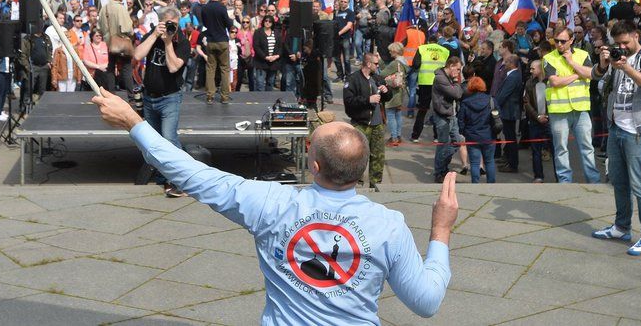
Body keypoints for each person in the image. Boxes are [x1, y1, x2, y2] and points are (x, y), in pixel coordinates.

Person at [94, 91, 457, 322]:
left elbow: (191, 174)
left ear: (313, 166)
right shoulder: (389, 225)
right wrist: (440, 231)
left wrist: (133, 121)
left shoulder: (270, 202)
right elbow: (426, 302)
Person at [591, 20, 641, 256]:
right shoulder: (617, 58)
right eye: (617, 44)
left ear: (636, 36)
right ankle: (621, 226)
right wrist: (605, 65)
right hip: (617, 127)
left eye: (625, 42)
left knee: (640, 184)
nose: (621, 47)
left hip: (640, 131)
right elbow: (600, 85)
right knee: (619, 180)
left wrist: (626, 68)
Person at [133, 6, 190, 197]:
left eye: (173, 23)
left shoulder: (182, 41)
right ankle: (162, 177)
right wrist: (154, 35)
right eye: (167, 23)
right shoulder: (154, 34)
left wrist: (167, 43)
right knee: (154, 141)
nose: (170, 27)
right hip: (150, 97)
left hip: (170, 98)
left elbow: (174, 68)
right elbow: (137, 55)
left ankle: (180, 180)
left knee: (169, 138)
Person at [542, 30, 600, 184]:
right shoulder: (549, 58)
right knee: (561, 149)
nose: (559, 44)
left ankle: (593, 181)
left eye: (562, 41)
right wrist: (577, 74)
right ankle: (565, 182)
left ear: (571, 40)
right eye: (556, 41)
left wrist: (572, 63)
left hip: (581, 109)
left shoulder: (582, 55)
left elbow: (590, 74)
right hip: (559, 111)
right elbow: (555, 82)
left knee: (587, 147)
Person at [343, 52, 392, 188]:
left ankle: (376, 184)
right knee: (358, 155)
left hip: (378, 124)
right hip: (361, 123)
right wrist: (367, 100)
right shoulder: (353, 79)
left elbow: (388, 97)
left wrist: (386, 90)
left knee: (378, 156)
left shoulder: (378, 78)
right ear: (368, 64)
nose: (378, 66)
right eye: (376, 64)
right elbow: (348, 101)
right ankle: (356, 183)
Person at [456, 69, 496, 183]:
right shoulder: (491, 100)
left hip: (472, 135)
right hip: (488, 135)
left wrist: (464, 132)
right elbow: (497, 116)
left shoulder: (466, 102)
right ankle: (492, 184)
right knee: (489, 161)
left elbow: (461, 121)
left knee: (474, 162)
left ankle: (475, 184)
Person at [410, 39, 450, 143]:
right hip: (439, 82)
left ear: (429, 42)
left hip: (425, 82)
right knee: (438, 110)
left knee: (422, 110)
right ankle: (437, 136)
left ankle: (415, 136)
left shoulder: (422, 49)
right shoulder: (445, 50)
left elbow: (415, 64)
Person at [431, 56, 463, 183]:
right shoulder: (440, 78)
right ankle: (440, 172)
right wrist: (456, 80)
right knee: (443, 145)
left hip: (451, 115)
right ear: (451, 66)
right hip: (443, 116)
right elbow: (457, 94)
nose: (459, 72)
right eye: (458, 69)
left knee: (457, 141)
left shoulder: (447, 77)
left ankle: (443, 166)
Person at [200, 0, 233, 104]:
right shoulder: (221, 8)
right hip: (222, 41)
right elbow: (228, 24)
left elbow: (204, 23)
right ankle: (224, 96)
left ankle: (210, 96)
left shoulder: (205, 8)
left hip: (211, 41)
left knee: (210, 69)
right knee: (224, 69)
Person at [523, 60, 554, 183]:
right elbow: (526, 102)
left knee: (555, 150)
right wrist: (537, 117)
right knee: (536, 151)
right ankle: (538, 176)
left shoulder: (551, 82)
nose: (530, 71)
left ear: (541, 69)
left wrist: (548, 116)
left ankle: (560, 177)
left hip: (550, 121)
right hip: (535, 121)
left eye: (533, 69)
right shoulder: (529, 83)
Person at [494, 55, 524, 174]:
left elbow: (504, 94)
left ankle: (513, 164)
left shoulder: (513, 76)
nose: (504, 64)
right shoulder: (513, 75)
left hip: (509, 111)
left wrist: (495, 104)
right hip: (508, 110)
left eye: (506, 62)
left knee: (511, 138)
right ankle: (509, 160)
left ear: (512, 63)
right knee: (508, 136)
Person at [252, 15, 282, 92]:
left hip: (273, 62)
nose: (267, 23)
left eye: (270, 21)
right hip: (261, 62)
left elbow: (280, 46)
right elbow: (256, 47)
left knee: (270, 83)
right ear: (263, 22)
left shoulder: (277, 33)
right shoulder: (258, 32)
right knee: (260, 83)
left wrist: (277, 56)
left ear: (272, 23)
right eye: (266, 21)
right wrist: (265, 57)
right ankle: (260, 102)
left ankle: (268, 100)